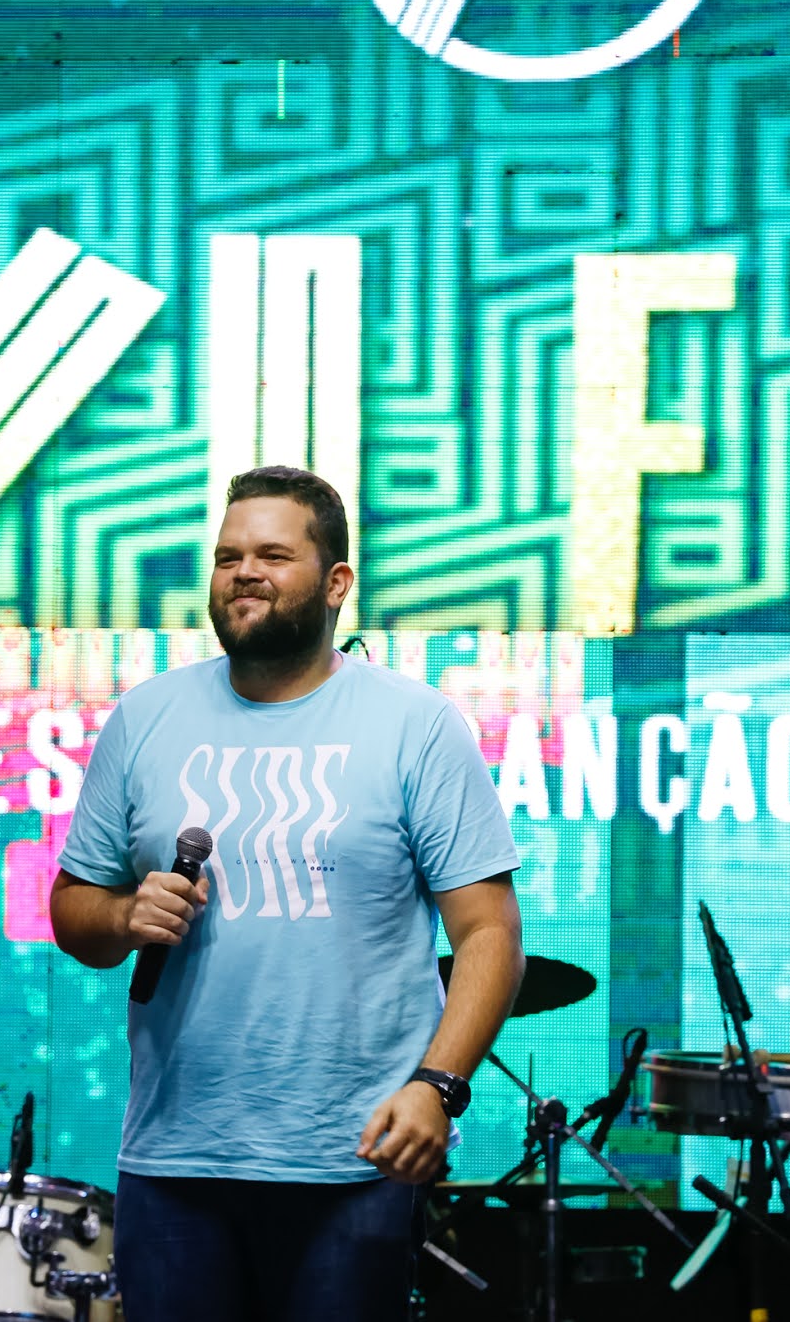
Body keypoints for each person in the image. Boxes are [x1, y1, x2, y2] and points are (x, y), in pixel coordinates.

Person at [49, 466, 525, 1322]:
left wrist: (437, 1086)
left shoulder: (415, 724)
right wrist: (122, 914)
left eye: (273, 555)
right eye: (228, 556)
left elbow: (490, 933)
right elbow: (73, 911)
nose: (244, 572)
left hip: (353, 1161)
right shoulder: (146, 716)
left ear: (336, 583)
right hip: (174, 1158)